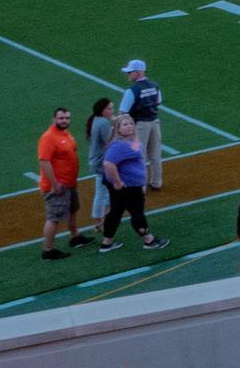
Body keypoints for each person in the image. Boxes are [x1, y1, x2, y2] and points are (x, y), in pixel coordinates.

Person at [96, 115, 167, 251]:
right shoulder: (120, 145)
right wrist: (118, 182)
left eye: (131, 124)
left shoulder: (130, 141)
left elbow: (135, 149)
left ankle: (106, 243)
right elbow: (108, 164)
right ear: (118, 129)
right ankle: (149, 240)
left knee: (115, 212)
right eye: (125, 125)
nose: (129, 126)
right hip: (128, 187)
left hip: (127, 186)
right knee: (137, 212)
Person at [38, 106, 85, 259]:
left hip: (69, 183)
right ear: (54, 119)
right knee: (54, 218)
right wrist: (55, 184)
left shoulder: (65, 133)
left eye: (67, 118)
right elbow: (44, 162)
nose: (64, 121)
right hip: (57, 186)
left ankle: (75, 237)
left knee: (72, 209)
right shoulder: (48, 137)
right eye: (61, 118)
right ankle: (48, 250)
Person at [117, 60, 165, 189]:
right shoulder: (154, 85)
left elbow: (123, 111)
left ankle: (140, 186)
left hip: (140, 127)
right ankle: (156, 183)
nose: (128, 74)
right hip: (154, 123)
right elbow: (159, 102)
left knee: (139, 155)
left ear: (138, 73)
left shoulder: (132, 91)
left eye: (130, 72)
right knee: (155, 155)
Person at [84, 98, 116, 226]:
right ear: (102, 111)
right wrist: (116, 128)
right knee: (104, 193)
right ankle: (101, 221)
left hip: (96, 161)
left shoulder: (97, 120)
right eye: (109, 108)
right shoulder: (103, 123)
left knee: (102, 192)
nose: (112, 110)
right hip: (101, 162)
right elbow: (109, 143)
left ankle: (100, 220)